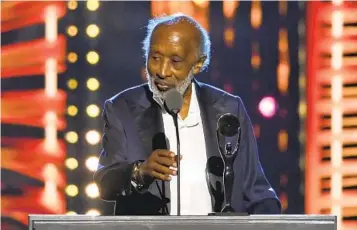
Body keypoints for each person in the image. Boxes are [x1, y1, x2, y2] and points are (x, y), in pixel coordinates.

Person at [94, 13, 281, 215]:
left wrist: (273, 223)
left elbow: (255, 189)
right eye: (155, 58)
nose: (162, 71)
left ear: (198, 64)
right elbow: (105, 182)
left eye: (175, 61)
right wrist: (139, 172)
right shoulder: (122, 108)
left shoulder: (228, 108)